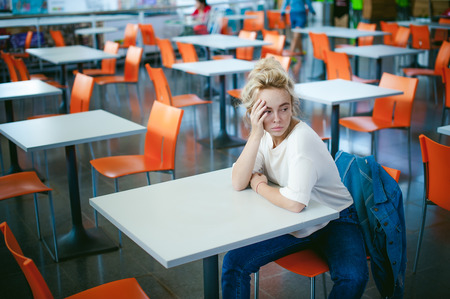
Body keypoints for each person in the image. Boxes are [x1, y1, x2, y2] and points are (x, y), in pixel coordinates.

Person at [221, 57, 369, 298]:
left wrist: (259, 185)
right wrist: (256, 133)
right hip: (295, 224)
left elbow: (294, 203)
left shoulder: (302, 139)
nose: (277, 119)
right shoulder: (264, 134)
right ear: (253, 113)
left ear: (292, 106)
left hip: (335, 217)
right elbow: (238, 181)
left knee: (353, 278)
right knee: (234, 262)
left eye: (284, 108)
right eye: (267, 111)